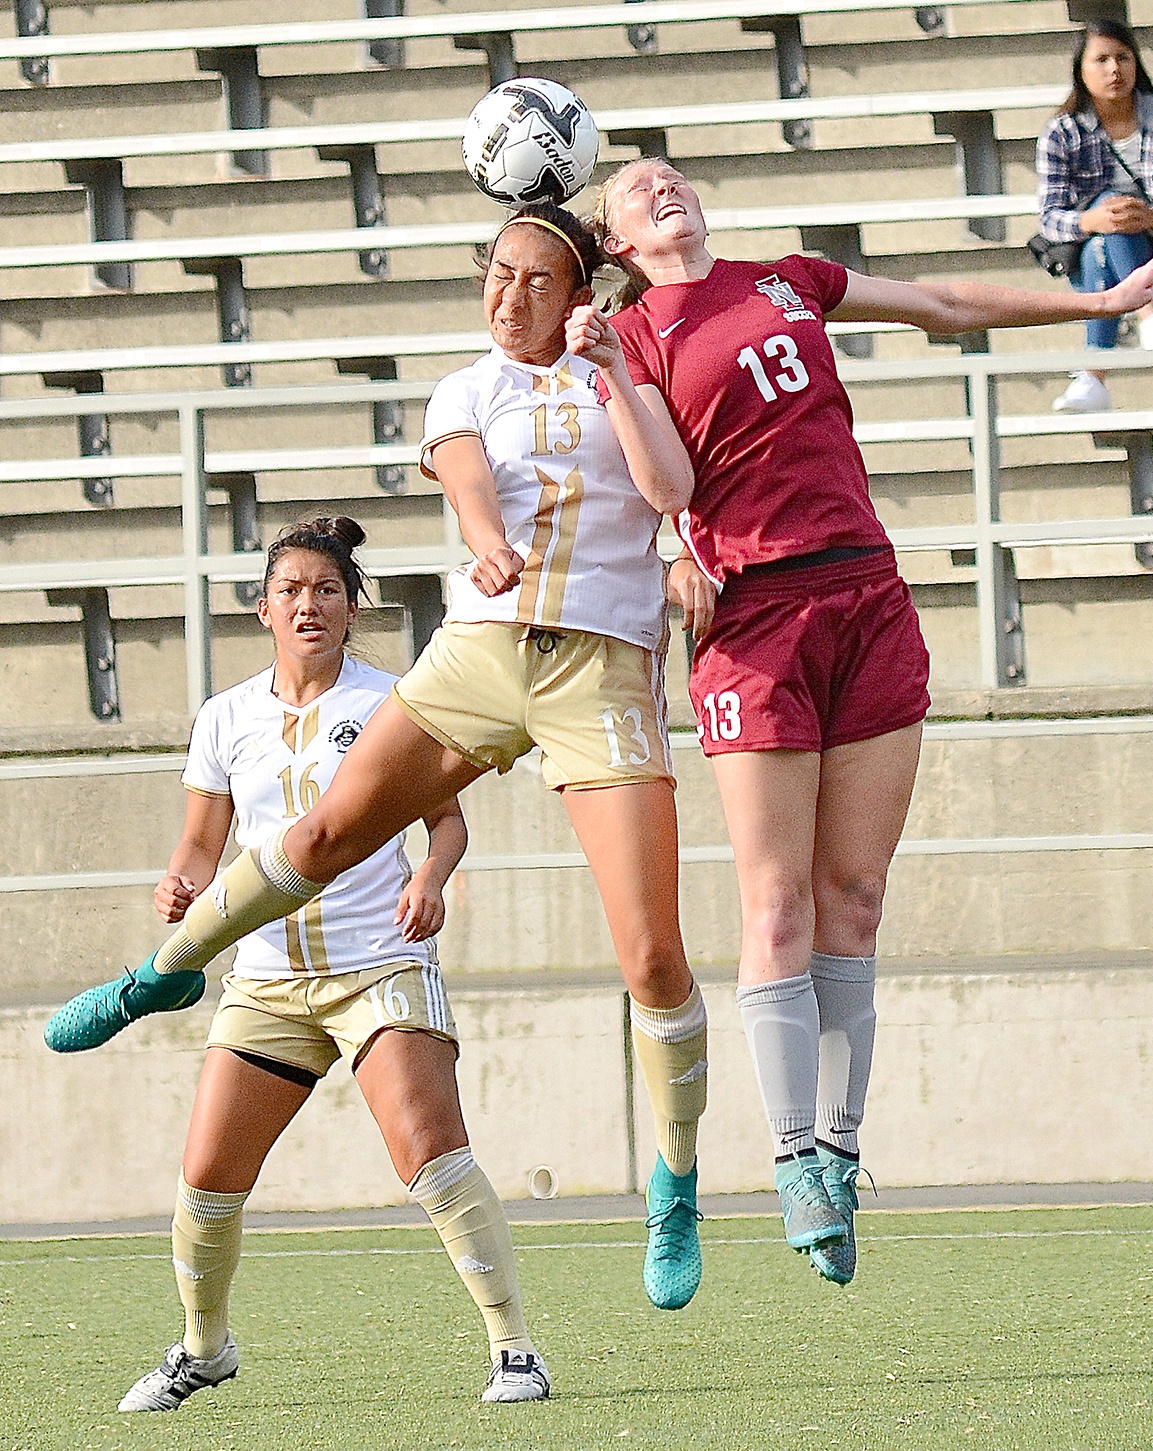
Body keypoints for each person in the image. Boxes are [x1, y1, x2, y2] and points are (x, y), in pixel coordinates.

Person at [45, 203, 711, 1314]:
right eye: (495, 274)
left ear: (579, 289)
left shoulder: (622, 367)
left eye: (535, 280)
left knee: (649, 955)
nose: (507, 297)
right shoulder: (468, 386)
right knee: (317, 833)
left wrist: (616, 376)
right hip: (481, 651)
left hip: (597, 668)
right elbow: (462, 472)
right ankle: (161, 970)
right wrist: (487, 542)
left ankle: (676, 1179)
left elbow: (671, 492)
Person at [588, 156, 1153, 1286]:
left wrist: (1096, 305)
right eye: (633, 189)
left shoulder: (786, 278)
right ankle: (786, 1156)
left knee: (853, 896)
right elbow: (666, 489)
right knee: (776, 899)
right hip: (756, 616)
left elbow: (942, 304)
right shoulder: (639, 335)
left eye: (670, 175)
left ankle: (839, 1149)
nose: (660, 187)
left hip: (863, 587)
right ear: (616, 240)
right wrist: (617, 378)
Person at [110, 516, 549, 1412]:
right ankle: (205, 1347)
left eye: (327, 590)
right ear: (262, 608)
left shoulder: (397, 700)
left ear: (353, 608)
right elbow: (202, 845)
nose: (308, 603)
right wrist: (179, 886)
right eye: (291, 590)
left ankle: (515, 1351)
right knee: (205, 1181)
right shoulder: (224, 716)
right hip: (267, 979)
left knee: (430, 1153)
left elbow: (448, 820)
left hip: (377, 963)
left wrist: (432, 876)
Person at [1037, 18, 1153, 414]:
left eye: (1123, 57)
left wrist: (1147, 217)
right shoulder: (1062, 131)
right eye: (1102, 59)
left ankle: (1093, 377)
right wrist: (1089, 221)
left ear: (1136, 63)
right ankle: (1151, 320)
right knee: (1105, 224)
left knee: (1111, 223)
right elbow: (1049, 218)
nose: (1114, 69)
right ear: (1081, 70)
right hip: (1090, 253)